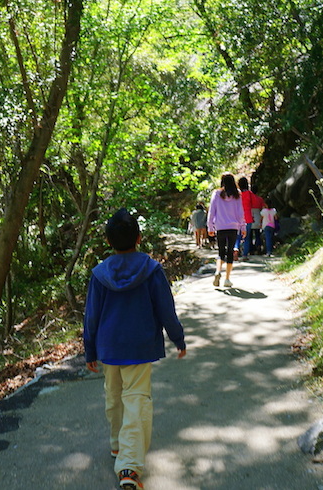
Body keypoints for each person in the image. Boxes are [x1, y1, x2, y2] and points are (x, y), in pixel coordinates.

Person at [84, 208, 187, 490]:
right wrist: (178, 338)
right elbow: (166, 309)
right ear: (139, 238)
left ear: (108, 241)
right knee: (136, 399)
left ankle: (119, 446)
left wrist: (89, 350)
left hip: (108, 347)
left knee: (114, 396)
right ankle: (128, 466)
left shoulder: (99, 274)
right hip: (139, 346)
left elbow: (91, 316)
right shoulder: (151, 270)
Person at [207, 173, 246, 287]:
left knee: (221, 252)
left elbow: (212, 211)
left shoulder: (217, 193)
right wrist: (243, 227)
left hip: (220, 227)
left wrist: (210, 227)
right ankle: (227, 279)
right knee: (230, 252)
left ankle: (218, 271)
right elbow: (240, 213)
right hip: (233, 227)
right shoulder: (237, 194)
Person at [236, 177, 258, 261]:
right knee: (247, 237)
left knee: (237, 236)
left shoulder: (237, 194)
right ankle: (245, 255)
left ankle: (236, 250)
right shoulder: (249, 193)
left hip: (238, 217)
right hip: (248, 217)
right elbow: (255, 203)